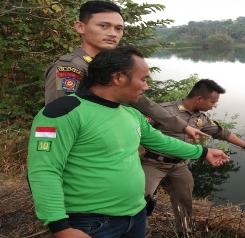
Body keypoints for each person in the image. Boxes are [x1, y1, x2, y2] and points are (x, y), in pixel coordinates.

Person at [27, 46, 230, 238]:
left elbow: (162, 141)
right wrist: (59, 226)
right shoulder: (63, 112)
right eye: (143, 80)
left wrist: (203, 151)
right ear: (118, 77)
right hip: (92, 222)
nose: (146, 87)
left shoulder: (130, 114)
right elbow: (43, 171)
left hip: (134, 215)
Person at [134, 79, 245, 238]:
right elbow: (138, 130)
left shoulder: (201, 119)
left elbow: (222, 133)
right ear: (199, 98)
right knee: (139, 207)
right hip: (152, 164)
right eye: (212, 102)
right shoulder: (164, 110)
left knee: (185, 201)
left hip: (180, 166)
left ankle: (185, 234)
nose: (213, 106)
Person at [44, 0, 205, 140]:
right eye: (103, 26)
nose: (112, 34)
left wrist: (182, 126)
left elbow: (143, 102)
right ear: (80, 27)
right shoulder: (71, 68)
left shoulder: (114, 65)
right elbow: (55, 118)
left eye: (118, 28)